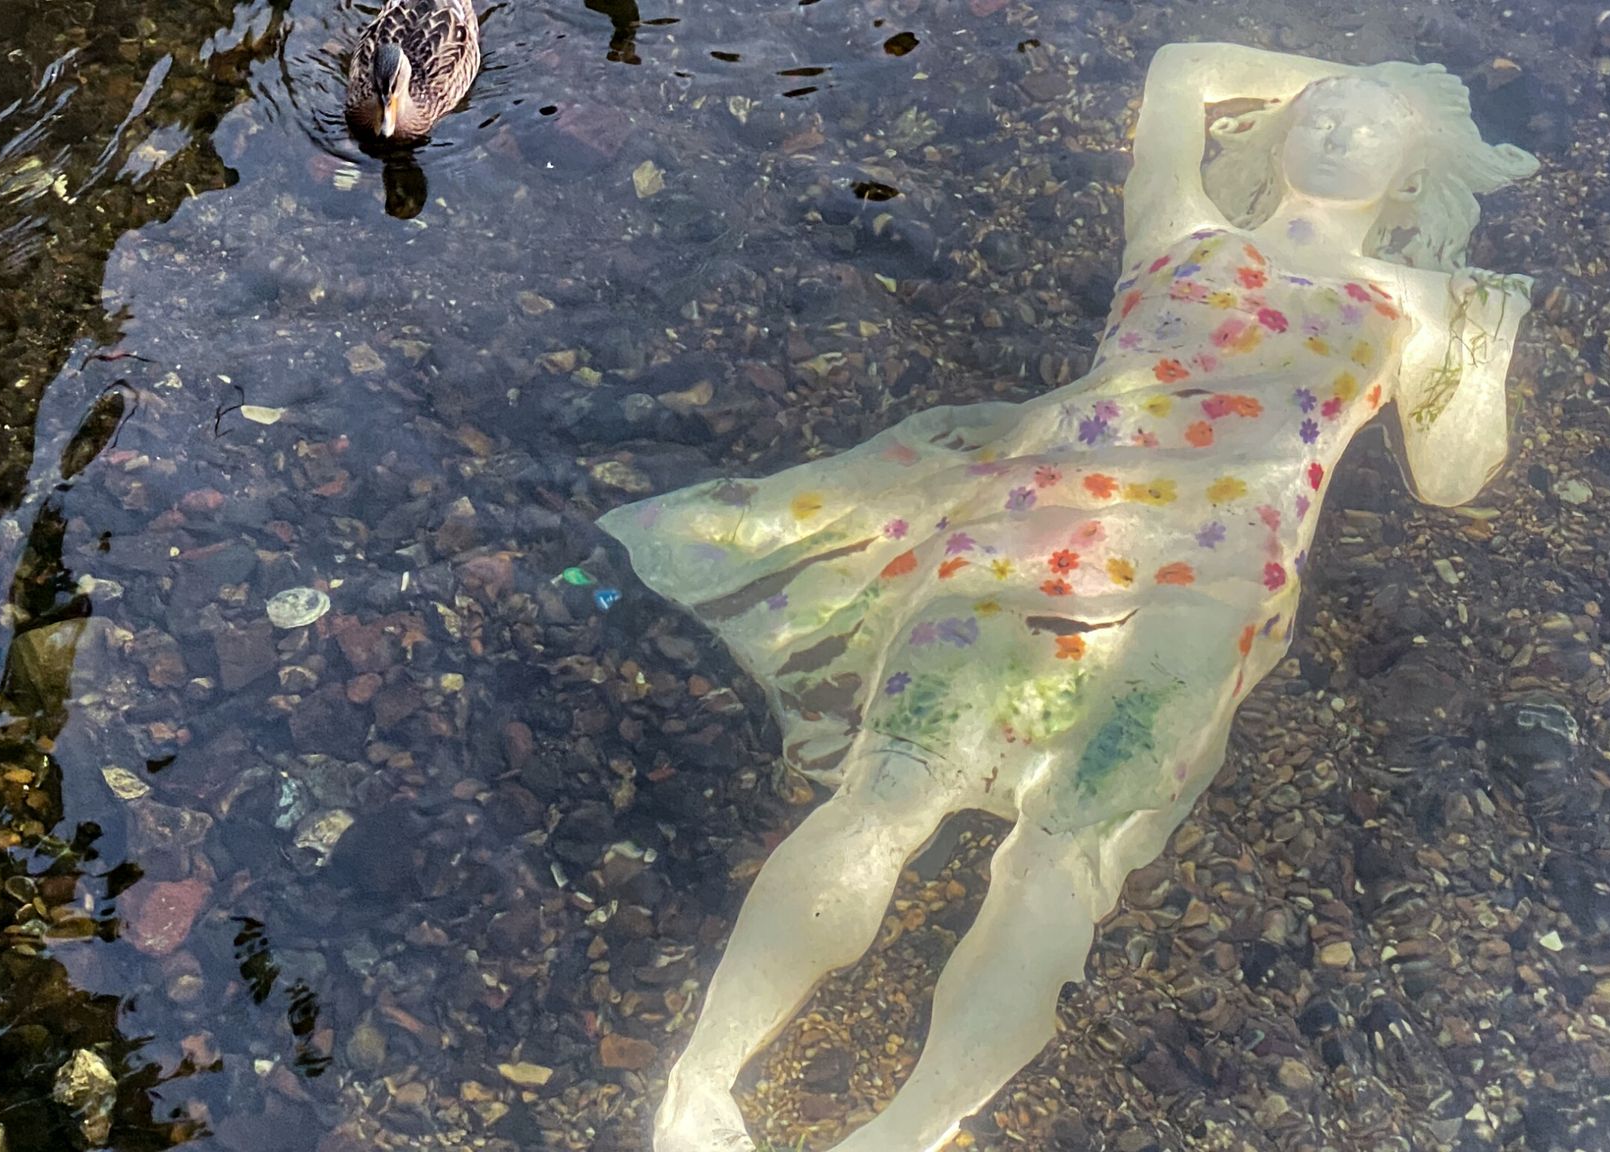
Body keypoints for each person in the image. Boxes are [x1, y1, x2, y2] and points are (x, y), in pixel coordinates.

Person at [601, 41, 1541, 1152]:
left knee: (1060, 854)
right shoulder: (1179, 229)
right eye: (1321, 111)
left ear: (1410, 171)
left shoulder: (1424, 301)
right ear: (1276, 126)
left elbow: (1451, 477)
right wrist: (1360, 76)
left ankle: (906, 1128)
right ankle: (701, 1083)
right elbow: (1184, 67)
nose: (1336, 128)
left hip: (1213, 589)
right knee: (884, 794)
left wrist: (1480, 347)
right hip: (1034, 533)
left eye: (1369, 125)